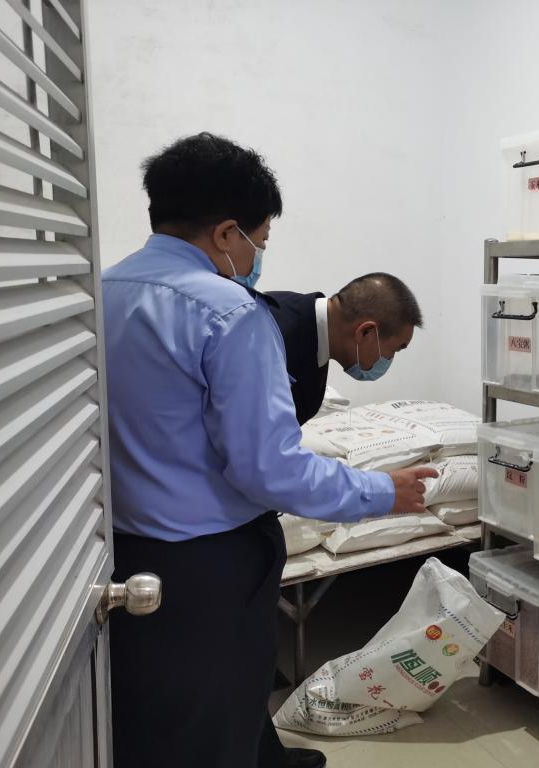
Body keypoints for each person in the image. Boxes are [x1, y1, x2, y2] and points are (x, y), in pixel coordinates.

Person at [102, 132, 436, 768]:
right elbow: (269, 468)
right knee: (218, 721)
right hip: (207, 563)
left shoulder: (102, 290)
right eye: (260, 239)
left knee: (158, 720)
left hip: (120, 553)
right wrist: (382, 491)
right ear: (227, 233)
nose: (258, 257)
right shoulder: (230, 313)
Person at [265, 273, 420, 425]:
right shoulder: (271, 334)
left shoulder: (316, 337)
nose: (389, 359)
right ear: (365, 332)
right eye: (394, 350)